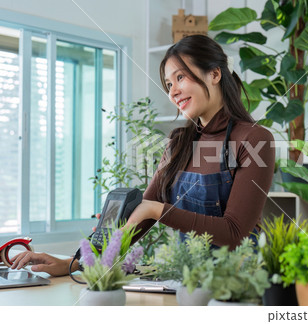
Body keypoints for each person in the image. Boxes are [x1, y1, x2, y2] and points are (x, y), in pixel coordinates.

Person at [10, 34, 275, 275]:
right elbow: (138, 220)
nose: (172, 92)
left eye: (180, 77)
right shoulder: (178, 143)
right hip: (187, 282)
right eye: (169, 83)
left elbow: (234, 232)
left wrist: (156, 209)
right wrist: (75, 263)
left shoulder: (254, 139)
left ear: (214, 74)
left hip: (238, 285)